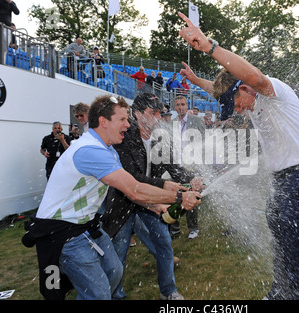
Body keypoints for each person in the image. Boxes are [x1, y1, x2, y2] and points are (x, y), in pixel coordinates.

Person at [177, 11, 299, 300]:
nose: (238, 110)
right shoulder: (247, 99)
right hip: (282, 181)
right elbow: (219, 89)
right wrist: (194, 80)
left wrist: (209, 47)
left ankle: (295, 296)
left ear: (245, 88)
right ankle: (279, 290)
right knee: (279, 243)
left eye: (238, 103)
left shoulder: (271, 91)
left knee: (294, 247)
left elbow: (250, 75)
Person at [22, 94, 201, 300]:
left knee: (114, 270)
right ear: (103, 122)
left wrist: (154, 206)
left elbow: (129, 190)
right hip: (62, 231)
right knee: (98, 292)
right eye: (123, 120)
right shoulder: (91, 151)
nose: (127, 124)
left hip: (85, 225)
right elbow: (134, 188)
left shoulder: (107, 149)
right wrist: (178, 197)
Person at [102, 92, 204, 300]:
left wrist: (192, 178)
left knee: (164, 244)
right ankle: (116, 296)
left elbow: (173, 167)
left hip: (152, 201)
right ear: (137, 114)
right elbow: (132, 178)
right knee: (118, 255)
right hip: (123, 202)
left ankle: (169, 292)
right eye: (153, 113)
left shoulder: (160, 138)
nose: (158, 118)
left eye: (160, 113)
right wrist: (168, 190)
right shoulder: (123, 138)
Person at [169, 94, 205, 239]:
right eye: (178, 105)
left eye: (183, 104)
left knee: (191, 193)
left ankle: (193, 228)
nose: (180, 107)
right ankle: (174, 226)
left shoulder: (197, 121)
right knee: (174, 194)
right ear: (174, 107)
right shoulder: (171, 123)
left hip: (193, 164)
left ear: (187, 105)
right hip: (176, 165)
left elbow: (203, 143)